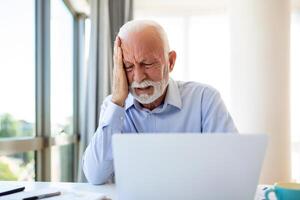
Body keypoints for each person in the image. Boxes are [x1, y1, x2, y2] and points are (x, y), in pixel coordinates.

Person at [82, 20, 238, 184]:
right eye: (128, 66)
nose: (139, 77)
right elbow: (95, 175)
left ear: (170, 62)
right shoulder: (113, 107)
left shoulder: (205, 100)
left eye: (148, 64)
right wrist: (117, 102)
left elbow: (232, 169)